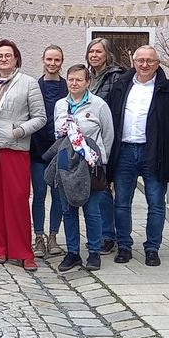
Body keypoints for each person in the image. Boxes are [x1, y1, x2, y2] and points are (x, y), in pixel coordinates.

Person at [107, 45, 169, 267]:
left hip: (155, 152)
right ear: (133, 62)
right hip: (125, 151)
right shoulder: (121, 85)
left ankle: (152, 248)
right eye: (140, 60)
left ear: (157, 63)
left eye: (149, 61)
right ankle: (124, 246)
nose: (144, 64)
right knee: (122, 202)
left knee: (156, 203)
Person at [0, 39, 46, 271]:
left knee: (16, 200)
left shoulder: (28, 83)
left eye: (8, 55)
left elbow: (40, 117)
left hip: (15, 148)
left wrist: (20, 130)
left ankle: (23, 251)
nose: (3, 59)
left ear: (16, 58)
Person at [53, 64, 114, 272]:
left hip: (90, 166)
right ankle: (72, 253)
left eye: (79, 80)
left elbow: (108, 136)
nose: (74, 83)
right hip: (67, 165)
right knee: (68, 210)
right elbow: (57, 133)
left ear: (88, 82)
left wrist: (100, 161)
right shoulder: (61, 105)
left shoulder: (99, 105)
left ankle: (94, 252)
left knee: (92, 211)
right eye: (71, 79)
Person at [86, 38, 125, 255]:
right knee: (97, 189)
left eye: (99, 52)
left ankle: (109, 235)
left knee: (104, 189)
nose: (94, 55)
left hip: (107, 140)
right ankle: (101, 234)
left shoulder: (115, 76)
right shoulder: (89, 77)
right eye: (91, 51)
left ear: (107, 54)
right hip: (89, 143)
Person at [29, 45, 67, 258]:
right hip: (37, 149)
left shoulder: (67, 87)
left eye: (57, 60)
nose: (53, 63)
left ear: (62, 62)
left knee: (58, 196)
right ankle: (39, 237)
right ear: (43, 60)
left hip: (60, 150)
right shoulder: (34, 87)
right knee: (39, 195)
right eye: (49, 59)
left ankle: (53, 236)